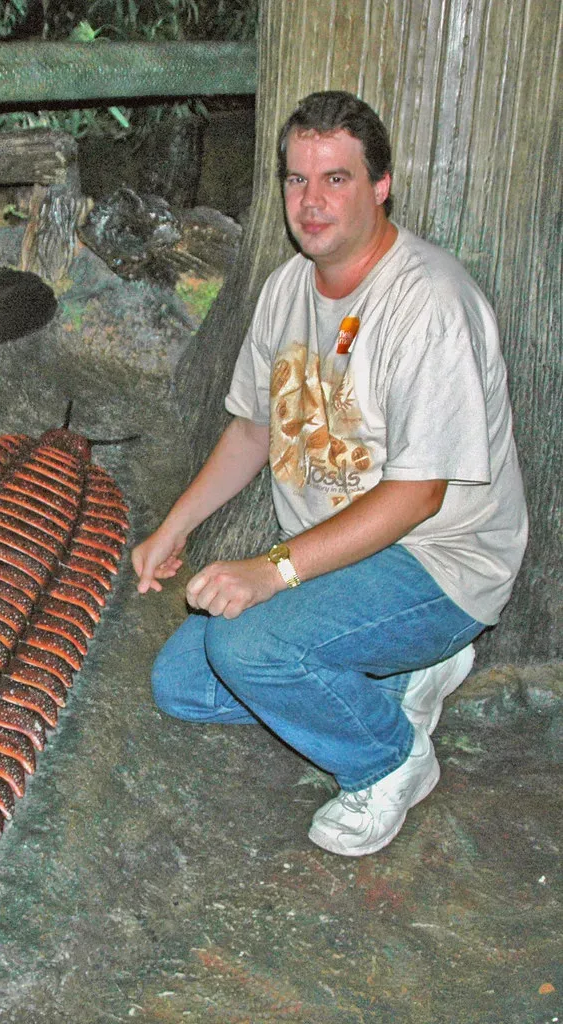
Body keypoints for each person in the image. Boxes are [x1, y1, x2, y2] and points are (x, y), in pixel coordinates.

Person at [131, 91, 528, 857]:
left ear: (380, 186)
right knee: (183, 683)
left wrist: (274, 570)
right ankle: (402, 675)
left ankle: (390, 761)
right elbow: (253, 426)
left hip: (442, 562)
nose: (310, 204)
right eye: (295, 180)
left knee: (248, 650)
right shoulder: (287, 288)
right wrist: (173, 526)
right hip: (339, 559)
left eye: (335, 180)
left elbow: (419, 495)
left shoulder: (429, 304)